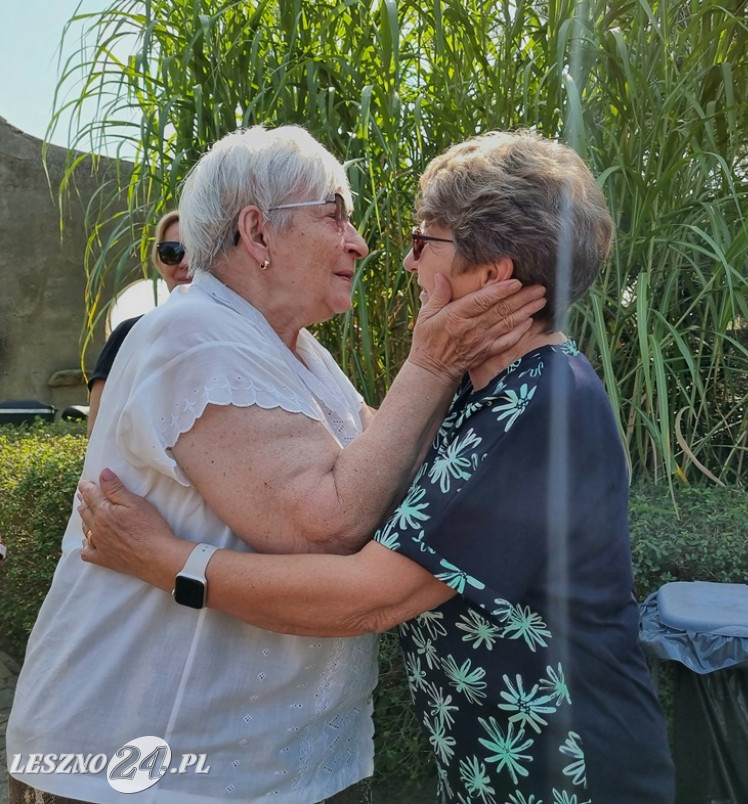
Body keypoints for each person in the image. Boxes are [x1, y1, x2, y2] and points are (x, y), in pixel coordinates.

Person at [77, 131, 675, 802]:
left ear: (492, 273)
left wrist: (167, 562)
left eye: (425, 242)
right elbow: (369, 458)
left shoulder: (540, 405)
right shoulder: (488, 392)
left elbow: (371, 595)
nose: (406, 261)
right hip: (510, 766)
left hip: (570, 772)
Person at [6, 124, 544, 804]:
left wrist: (472, 366)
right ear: (256, 232)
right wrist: (433, 363)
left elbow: (392, 465)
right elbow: (324, 526)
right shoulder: (194, 336)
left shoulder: (296, 350)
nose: (359, 243)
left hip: (269, 765)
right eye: (334, 216)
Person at [86, 210, 193, 436]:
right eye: (171, 252)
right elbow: (98, 431)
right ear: (159, 262)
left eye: (198, 251)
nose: (185, 263)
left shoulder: (243, 333)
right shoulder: (128, 335)